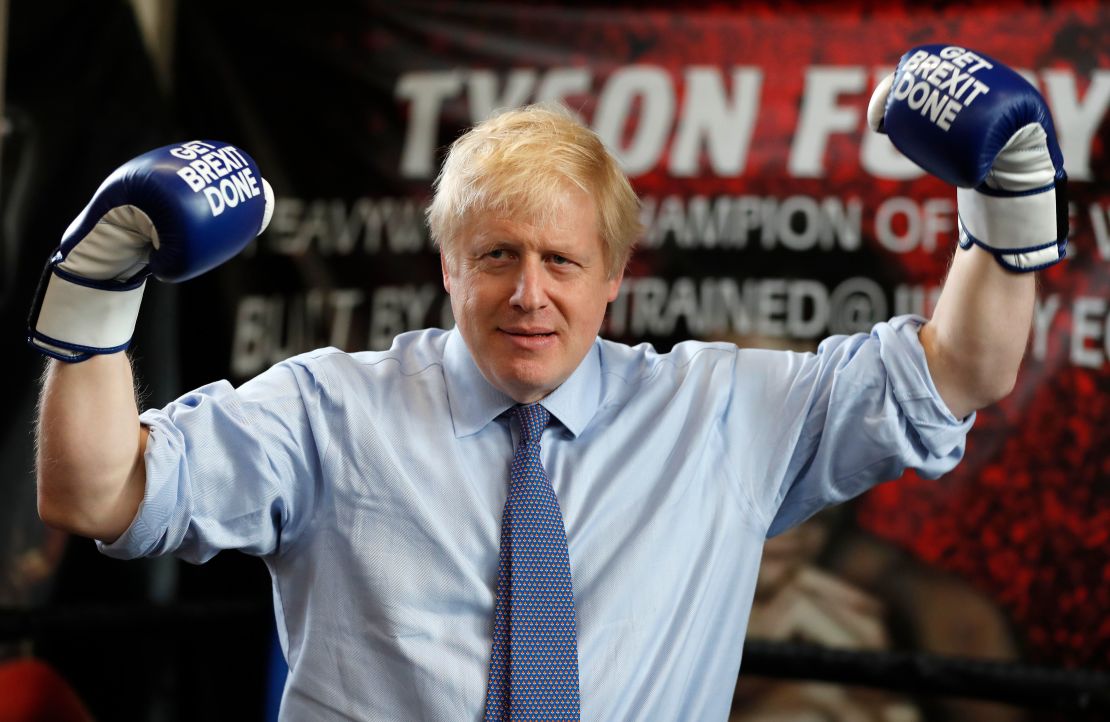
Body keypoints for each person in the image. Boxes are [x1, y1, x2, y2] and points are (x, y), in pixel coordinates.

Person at [31, 45, 1066, 720]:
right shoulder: (327, 409)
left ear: (613, 277)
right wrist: (94, 293)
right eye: (496, 256)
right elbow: (95, 490)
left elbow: (961, 368)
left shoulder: (722, 412)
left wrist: (1008, 194)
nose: (530, 293)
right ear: (447, 266)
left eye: (563, 262)